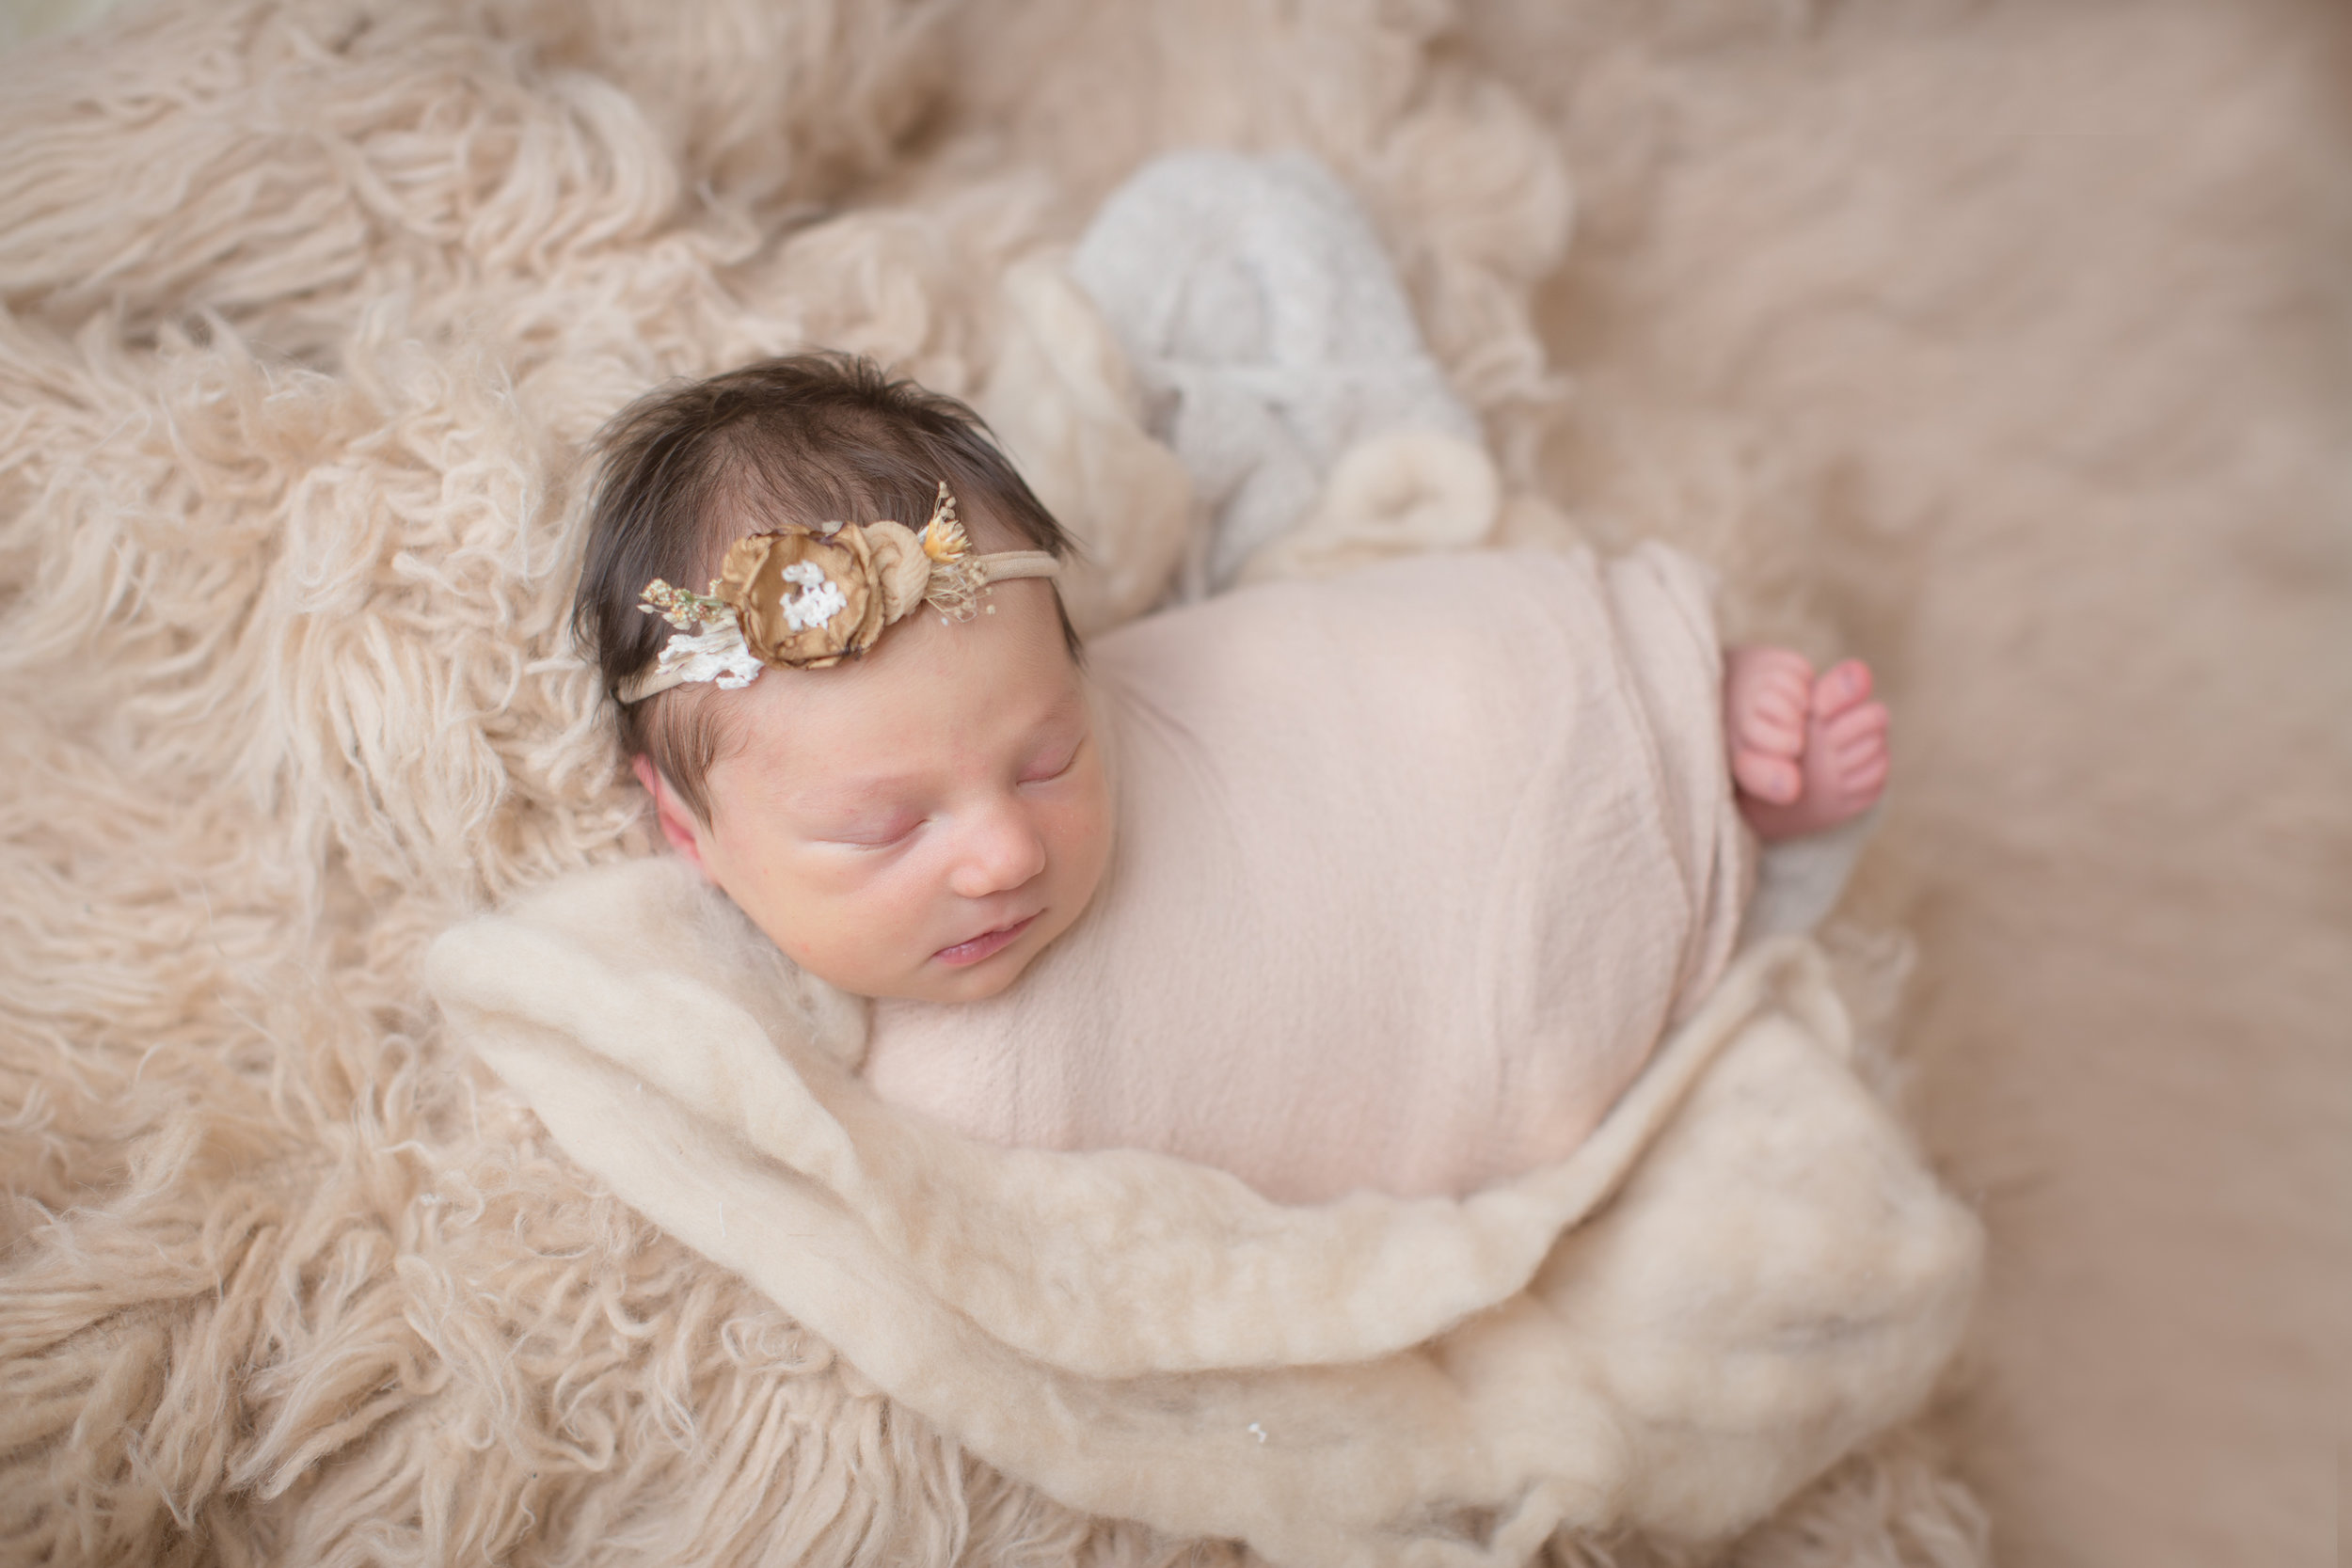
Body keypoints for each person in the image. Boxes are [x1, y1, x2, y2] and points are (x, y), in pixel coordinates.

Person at [574, 353, 1888, 1202]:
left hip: (1468, 731)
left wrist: (1650, 689)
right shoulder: (909, 1127)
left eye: (1049, 758)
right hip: (1495, 1013)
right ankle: (1745, 845)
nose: (1005, 855)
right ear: (690, 832)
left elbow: (1319, 684)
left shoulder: (1112, 686)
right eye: (884, 829)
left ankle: (1700, 726)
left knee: (1474, 685)